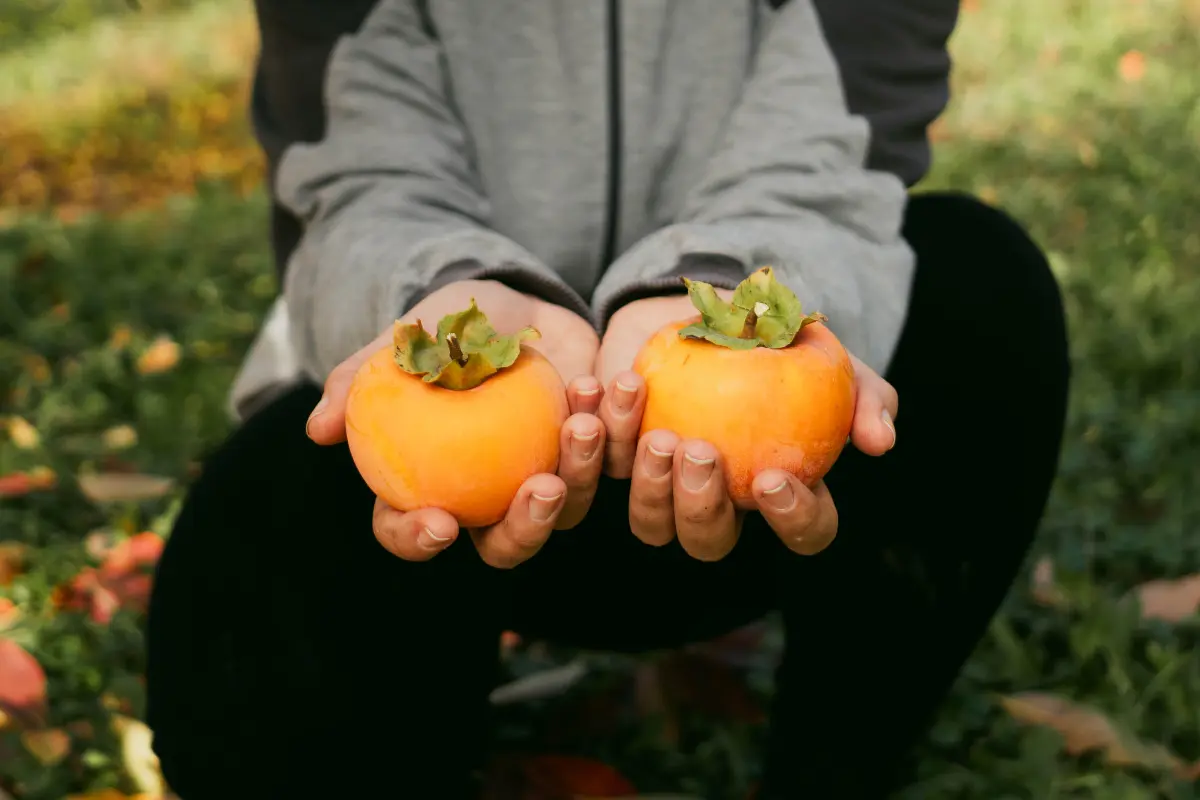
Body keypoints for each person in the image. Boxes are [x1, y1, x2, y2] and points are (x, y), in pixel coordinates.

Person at [145, 0, 1071, 797]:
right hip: (445, 500)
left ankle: (833, 770)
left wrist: (710, 286)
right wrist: (457, 291)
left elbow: (834, 144)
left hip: (757, 478)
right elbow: (357, 173)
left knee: (981, 287)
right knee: (247, 589)